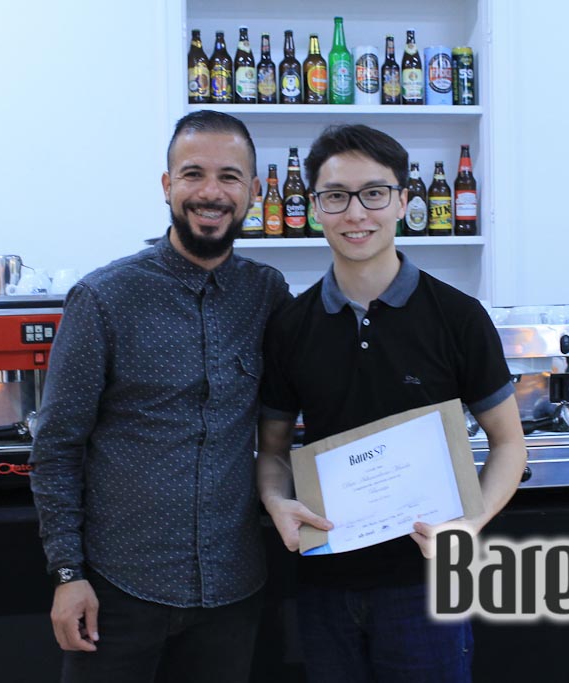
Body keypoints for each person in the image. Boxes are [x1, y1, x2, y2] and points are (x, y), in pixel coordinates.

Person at [256, 124, 527, 682]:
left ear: (403, 202)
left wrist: (471, 524)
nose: (356, 213)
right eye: (336, 196)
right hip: (324, 584)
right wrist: (277, 502)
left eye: (374, 193)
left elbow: (508, 444)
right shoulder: (290, 324)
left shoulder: (458, 316)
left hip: (425, 586)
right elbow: (274, 451)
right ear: (315, 208)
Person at [29, 110, 290, 682]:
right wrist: (68, 574)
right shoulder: (104, 297)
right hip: (119, 589)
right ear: (168, 185)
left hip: (232, 590)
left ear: (252, 190)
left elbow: (304, 397)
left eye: (229, 176)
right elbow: (57, 447)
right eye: (193, 174)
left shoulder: (266, 293)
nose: (211, 192)